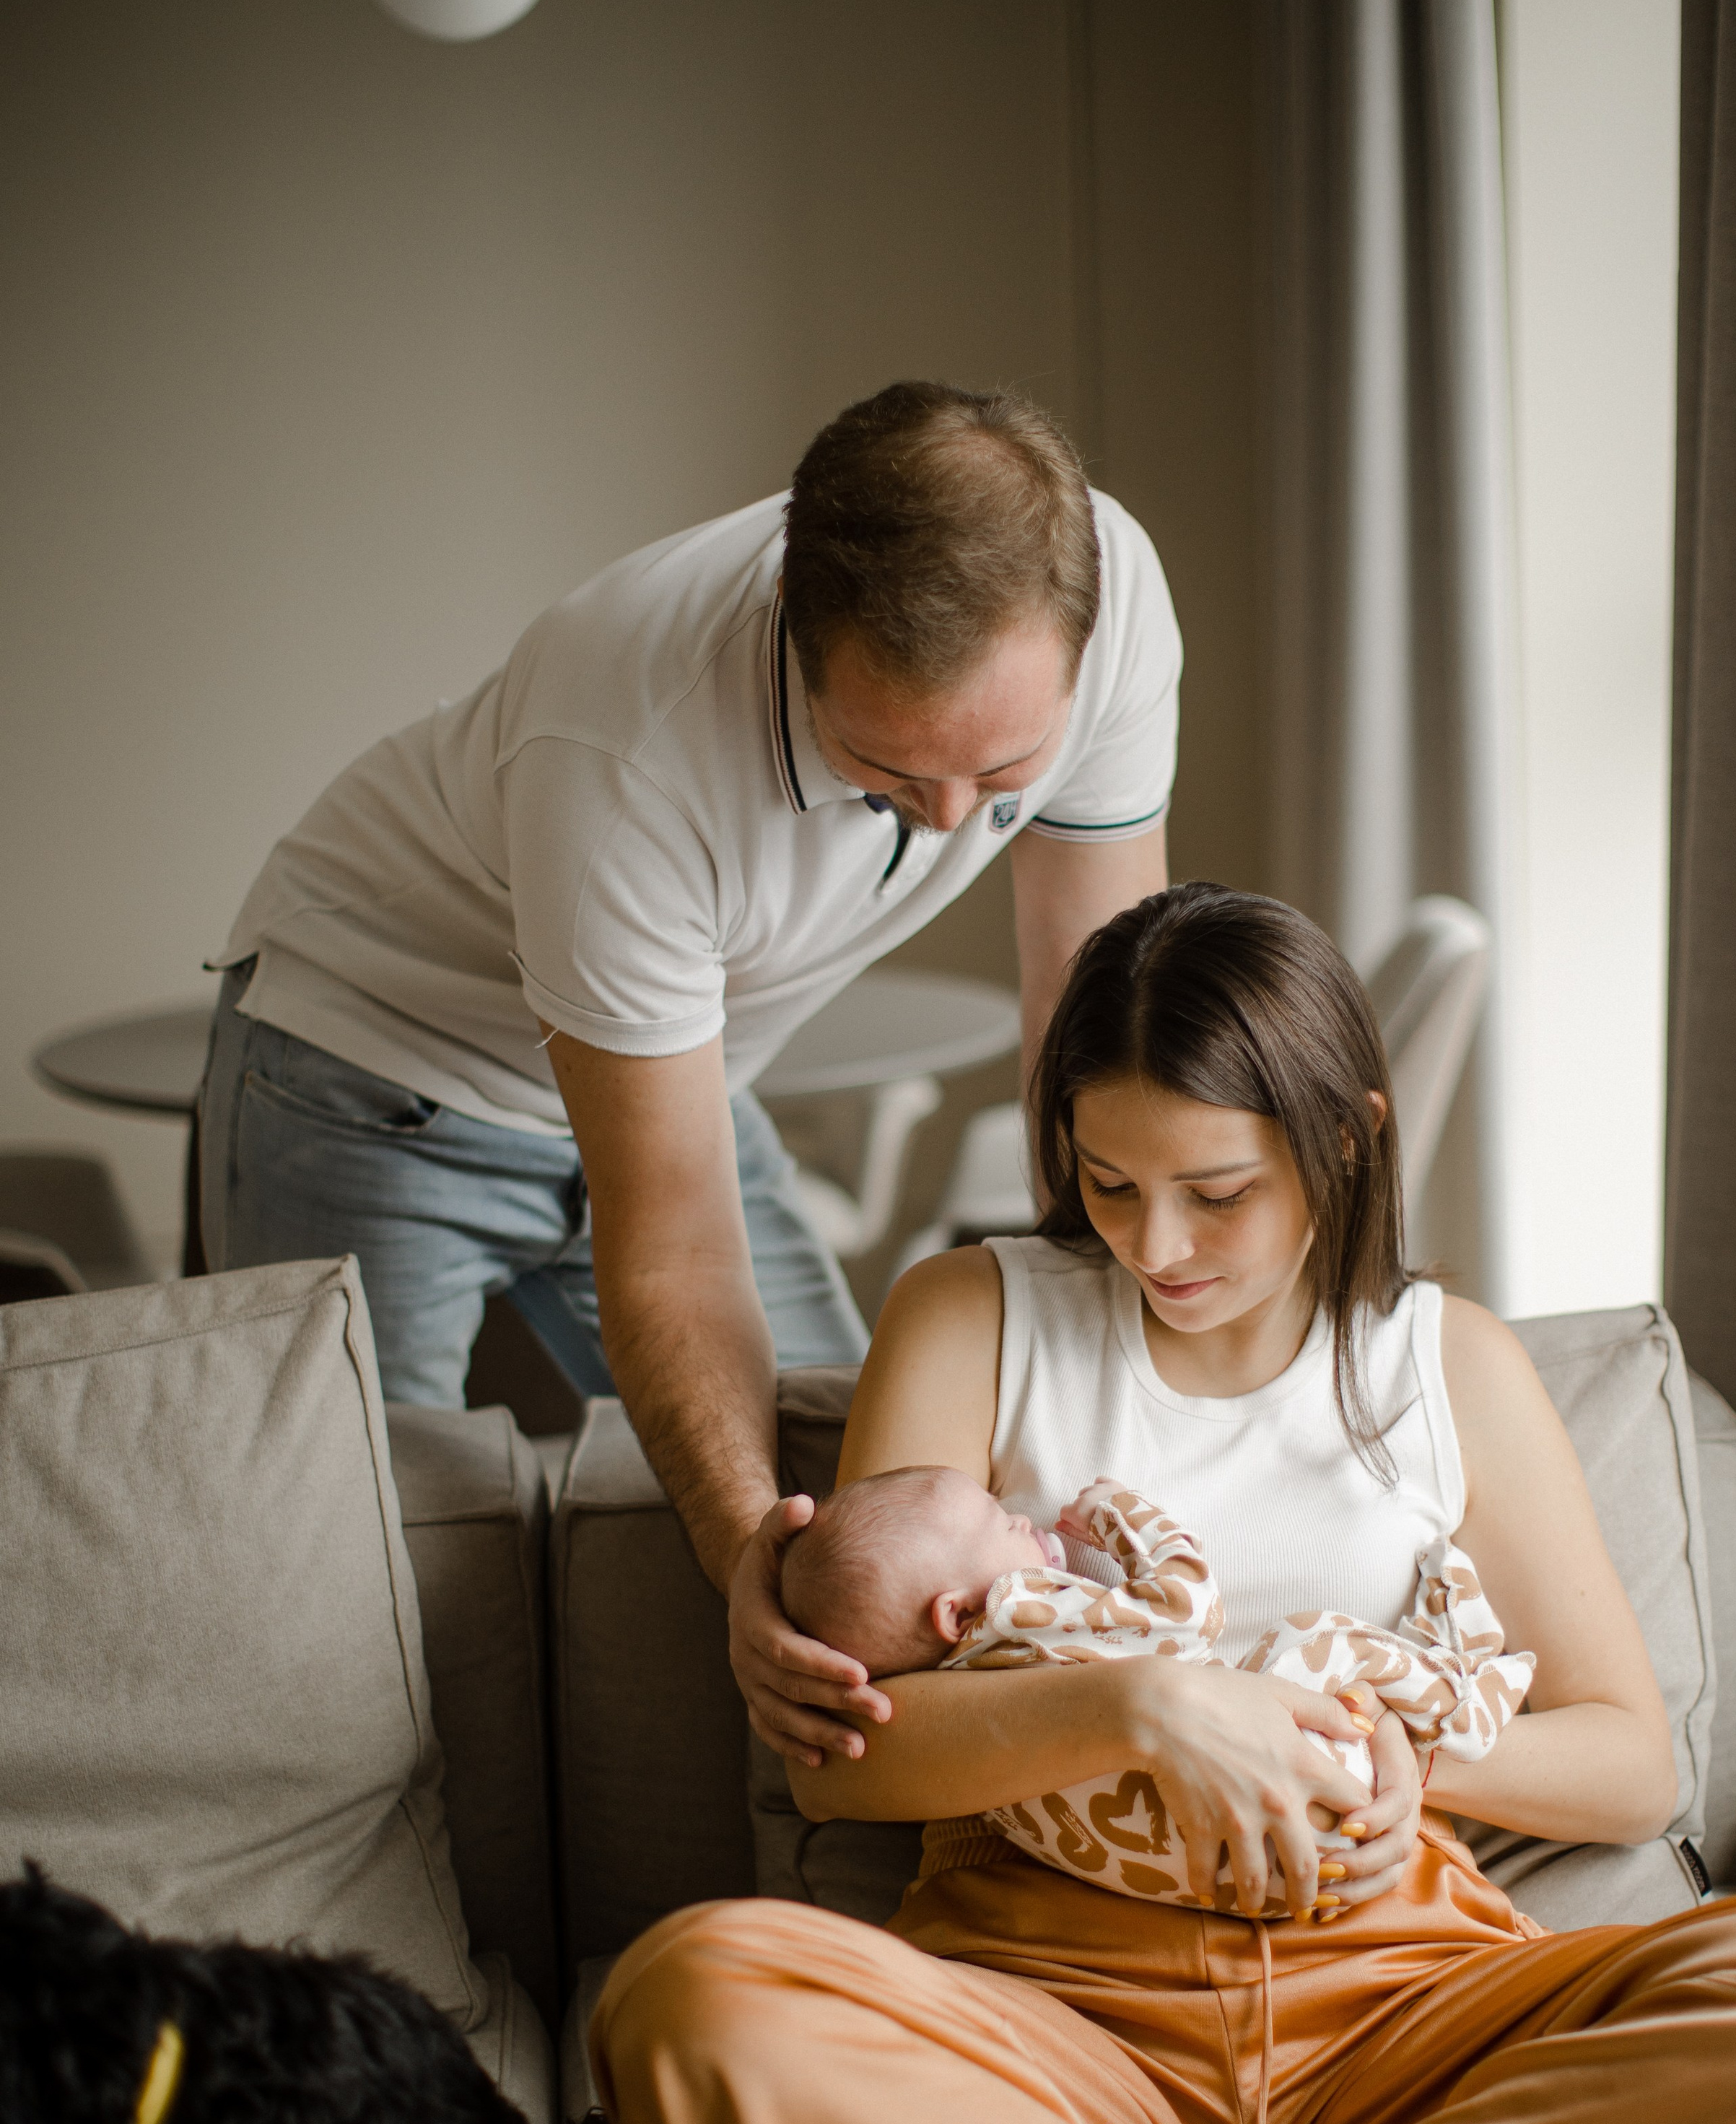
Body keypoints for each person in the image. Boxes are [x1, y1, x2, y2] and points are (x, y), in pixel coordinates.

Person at [588, 884, 1736, 2124]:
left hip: (1403, 2008)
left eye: (1213, 1192)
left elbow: (1627, 1760)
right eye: (1108, 1186)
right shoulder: (973, 1317)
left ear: (1344, 1138)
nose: (1155, 1247)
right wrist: (1146, 1705)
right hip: (1053, 2012)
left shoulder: (1444, 1366)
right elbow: (846, 1764)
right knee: (688, 1999)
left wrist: (1404, 1757)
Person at [198, 383, 1175, 1683]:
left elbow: (1094, 1038)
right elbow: (671, 1253)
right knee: (351, 1590)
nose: (948, 821)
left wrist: (1116, 1385)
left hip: (678, 1078)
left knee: (864, 1505)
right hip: (374, 1069)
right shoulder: (625, 746)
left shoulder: (1110, 604)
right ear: (795, 627)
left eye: (1002, 779)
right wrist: (748, 1573)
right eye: (885, 770)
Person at [783, 1466, 1531, 1910]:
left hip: (1232, 1876)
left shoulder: (967, 1709)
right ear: (954, 1612)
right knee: (1312, 1638)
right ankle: (1462, 1704)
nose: (1019, 1518)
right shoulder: (1017, 1617)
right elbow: (1188, 1616)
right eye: (996, 1522)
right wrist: (1116, 1513)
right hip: (1304, 1819)